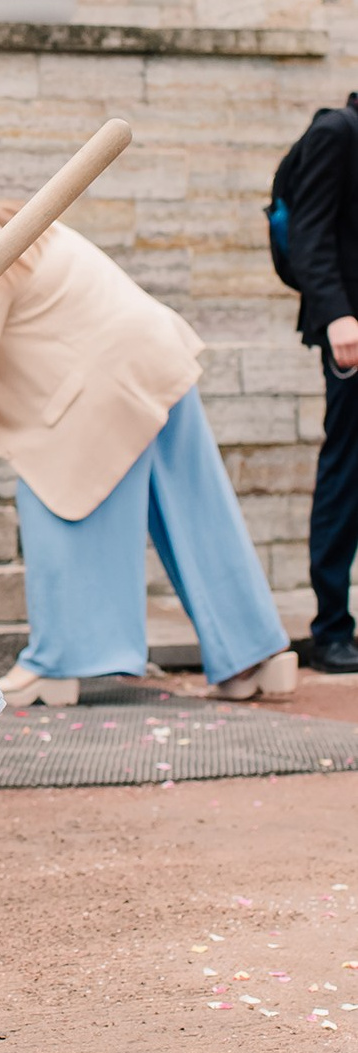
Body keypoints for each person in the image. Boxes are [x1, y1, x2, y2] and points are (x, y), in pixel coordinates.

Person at [0, 174, 297, 707]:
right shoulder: (22, 225)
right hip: (155, 359)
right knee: (197, 512)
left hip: (100, 390)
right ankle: (252, 652)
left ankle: (60, 660)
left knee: (53, 504)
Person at [283, 94, 358, 673]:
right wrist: (336, 316)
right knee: (346, 473)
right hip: (351, 336)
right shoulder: (337, 132)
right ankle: (332, 628)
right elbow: (309, 233)